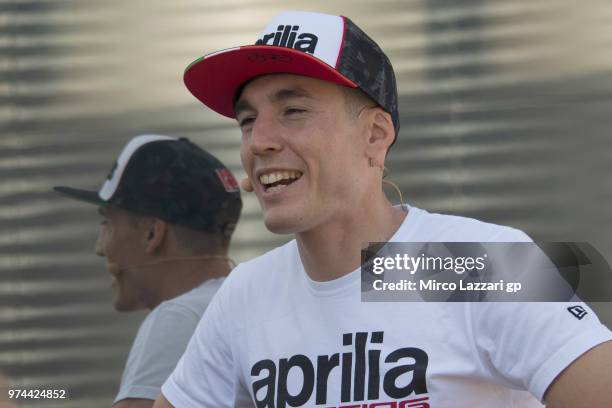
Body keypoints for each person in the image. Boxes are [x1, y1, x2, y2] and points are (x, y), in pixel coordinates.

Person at [155, 11, 612, 408]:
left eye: (293, 110)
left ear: (375, 135)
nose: (259, 141)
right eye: (247, 120)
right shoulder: (247, 294)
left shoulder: (480, 263)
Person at [54, 134, 242, 408]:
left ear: (152, 233)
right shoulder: (246, 305)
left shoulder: (178, 317)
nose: (99, 248)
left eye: (106, 223)